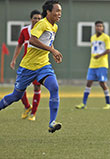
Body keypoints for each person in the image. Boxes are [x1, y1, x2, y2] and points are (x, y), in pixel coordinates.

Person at [0, 0, 63, 133]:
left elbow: (48, 42)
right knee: (16, 96)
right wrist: (52, 50)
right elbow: (32, 40)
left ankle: (52, 122)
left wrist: (54, 51)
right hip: (27, 67)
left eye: (60, 11)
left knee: (54, 87)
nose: (59, 13)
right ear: (48, 12)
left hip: (43, 65)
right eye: (57, 11)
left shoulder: (54, 26)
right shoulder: (42, 24)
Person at [10, 10, 42, 121]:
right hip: (26, 64)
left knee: (37, 86)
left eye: (39, 18)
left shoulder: (43, 31)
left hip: (38, 64)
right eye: (35, 18)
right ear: (30, 19)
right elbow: (19, 45)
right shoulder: (25, 31)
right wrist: (14, 59)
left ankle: (33, 113)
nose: (37, 20)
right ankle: (27, 107)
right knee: (20, 87)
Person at [75, 21, 110, 110]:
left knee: (102, 83)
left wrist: (99, 55)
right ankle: (83, 103)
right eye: (97, 26)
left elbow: (109, 49)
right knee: (88, 82)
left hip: (102, 64)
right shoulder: (93, 37)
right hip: (92, 64)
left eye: (100, 26)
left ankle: (108, 103)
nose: (99, 28)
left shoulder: (106, 37)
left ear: (103, 28)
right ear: (95, 27)